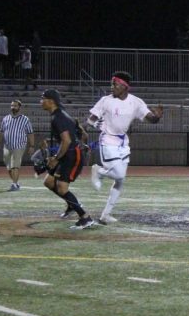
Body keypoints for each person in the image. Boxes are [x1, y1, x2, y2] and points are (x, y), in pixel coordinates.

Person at [87, 71, 163, 225]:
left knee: (120, 180)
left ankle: (105, 215)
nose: (112, 86)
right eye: (112, 83)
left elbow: (151, 119)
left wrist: (158, 116)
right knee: (119, 174)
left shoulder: (136, 102)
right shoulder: (105, 100)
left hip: (123, 143)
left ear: (125, 86)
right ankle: (98, 171)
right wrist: (96, 124)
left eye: (115, 84)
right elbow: (90, 119)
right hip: (107, 140)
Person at [40, 89, 95, 229]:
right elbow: (83, 134)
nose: (41, 101)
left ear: (51, 101)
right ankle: (71, 205)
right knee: (49, 181)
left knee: (62, 188)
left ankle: (85, 217)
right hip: (69, 152)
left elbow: (66, 141)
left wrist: (56, 158)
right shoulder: (61, 115)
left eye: (43, 98)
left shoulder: (58, 117)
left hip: (71, 154)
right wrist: (82, 143)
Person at [0, 99, 34, 191]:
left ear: (19, 107)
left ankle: (14, 184)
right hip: (7, 146)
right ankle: (15, 182)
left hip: (19, 145)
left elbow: (30, 133)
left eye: (15, 106)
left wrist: (32, 145)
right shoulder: (6, 118)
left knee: (15, 165)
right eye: (12, 105)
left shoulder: (25, 119)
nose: (13, 107)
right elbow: (1, 131)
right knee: (9, 166)